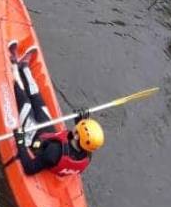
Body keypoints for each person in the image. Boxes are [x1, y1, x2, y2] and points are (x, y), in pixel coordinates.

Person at [9, 41, 104, 176]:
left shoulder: (53, 152)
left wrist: (20, 141)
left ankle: (13, 65)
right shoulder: (87, 155)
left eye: (78, 129)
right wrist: (80, 121)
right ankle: (24, 67)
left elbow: (29, 168)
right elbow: (77, 139)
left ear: (77, 136)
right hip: (48, 135)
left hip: (35, 141)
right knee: (37, 99)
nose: (76, 128)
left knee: (25, 102)